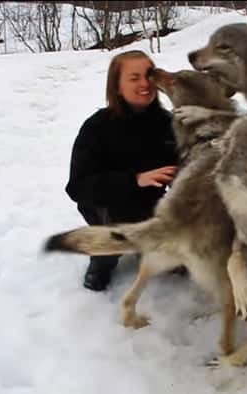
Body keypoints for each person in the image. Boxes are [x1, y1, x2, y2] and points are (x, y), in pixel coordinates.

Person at [65, 50, 178, 291]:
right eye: (134, 77)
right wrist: (134, 180)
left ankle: (151, 247)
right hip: (106, 207)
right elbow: (77, 187)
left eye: (148, 75)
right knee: (116, 222)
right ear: (117, 86)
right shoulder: (97, 127)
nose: (145, 83)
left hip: (152, 206)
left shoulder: (169, 124)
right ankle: (103, 258)